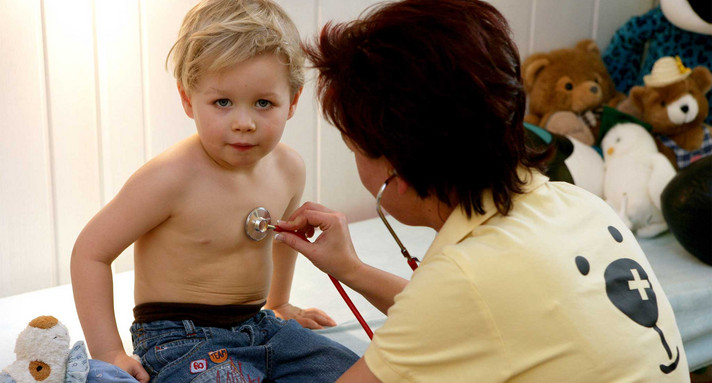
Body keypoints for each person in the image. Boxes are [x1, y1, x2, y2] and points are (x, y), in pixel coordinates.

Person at [275, 0, 691, 381]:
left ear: (396, 170)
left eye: (354, 148)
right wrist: (352, 269)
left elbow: (456, 303)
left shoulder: (464, 279)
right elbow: (460, 315)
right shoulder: (578, 203)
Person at [70, 0, 358, 382]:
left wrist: (280, 303)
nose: (244, 123)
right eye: (222, 102)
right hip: (179, 338)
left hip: (260, 325)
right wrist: (108, 351)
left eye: (263, 103)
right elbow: (90, 252)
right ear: (189, 99)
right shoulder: (169, 178)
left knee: (359, 372)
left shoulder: (289, 168)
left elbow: (282, 237)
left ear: (292, 101)